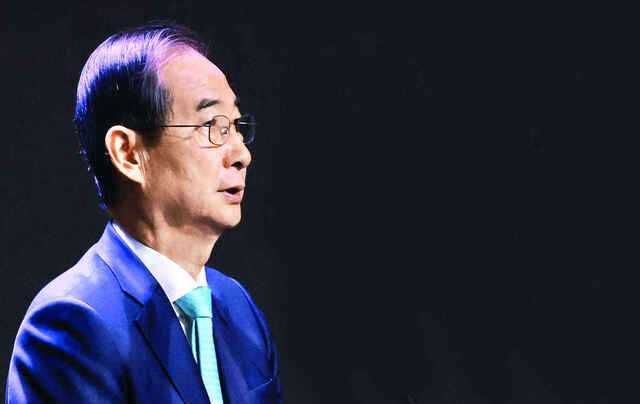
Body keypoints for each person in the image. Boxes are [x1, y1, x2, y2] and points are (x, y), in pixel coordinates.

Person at [6, 23, 283, 403]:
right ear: (129, 154)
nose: (241, 154)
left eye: (236, 126)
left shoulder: (238, 309)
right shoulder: (73, 324)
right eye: (211, 126)